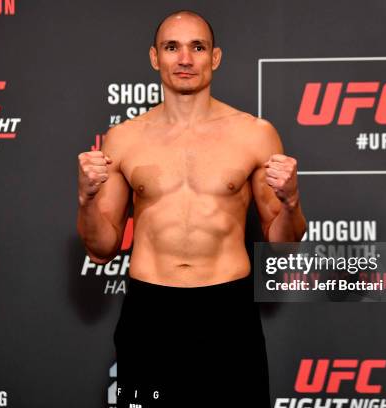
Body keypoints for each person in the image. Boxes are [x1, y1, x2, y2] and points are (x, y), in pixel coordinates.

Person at [77, 9, 307, 408]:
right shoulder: (123, 138)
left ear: (214, 57)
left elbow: (282, 247)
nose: (185, 59)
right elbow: (100, 249)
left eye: (197, 47)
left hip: (228, 314)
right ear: (155, 57)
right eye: (172, 47)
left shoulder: (254, 134)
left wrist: (290, 202)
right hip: (150, 314)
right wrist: (86, 200)